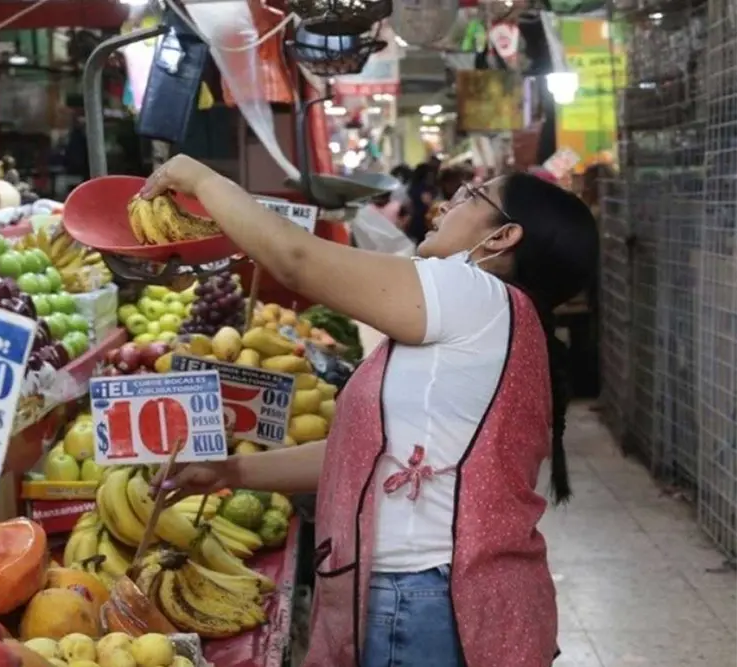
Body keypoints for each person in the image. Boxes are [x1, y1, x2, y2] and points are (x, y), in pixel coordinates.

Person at [140, 155, 599, 667]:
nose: (448, 203)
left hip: (425, 598)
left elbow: (296, 259)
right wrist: (230, 471)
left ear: (502, 238)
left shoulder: (475, 295)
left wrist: (201, 177)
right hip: (446, 597)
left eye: (474, 195)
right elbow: (364, 457)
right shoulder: (505, 324)